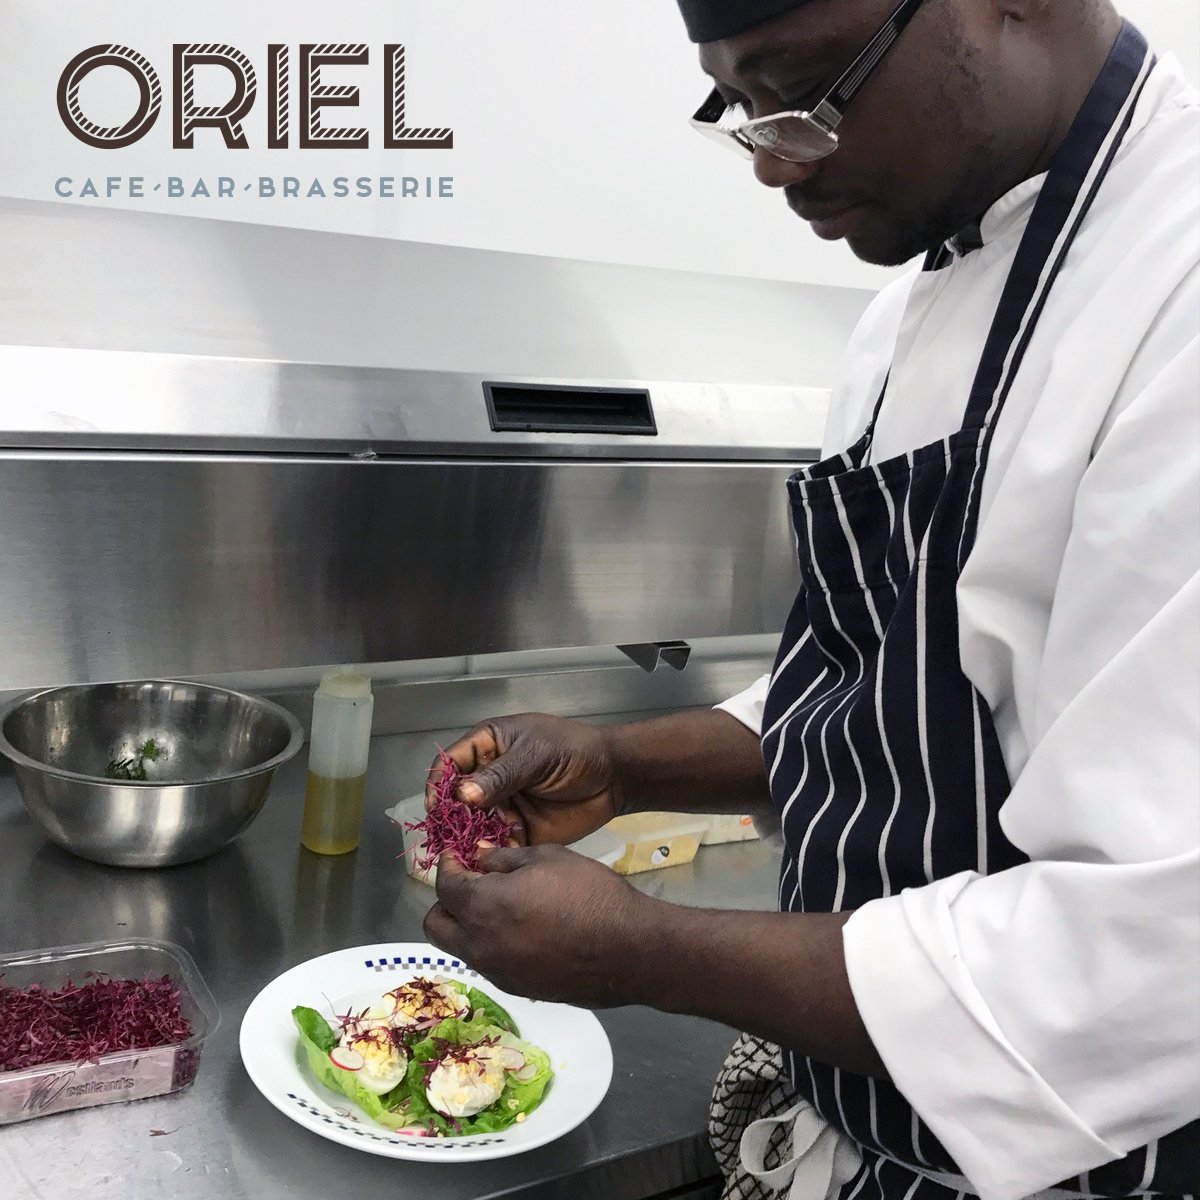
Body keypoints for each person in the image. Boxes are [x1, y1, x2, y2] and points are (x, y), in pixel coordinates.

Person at [422, 1, 1200, 1195]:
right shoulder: (903, 308)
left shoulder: (1174, 293)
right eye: (742, 109)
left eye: (810, 89)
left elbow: (1147, 963)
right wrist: (625, 766)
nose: (777, 164)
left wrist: (645, 951)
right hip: (858, 1129)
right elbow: (879, 685)